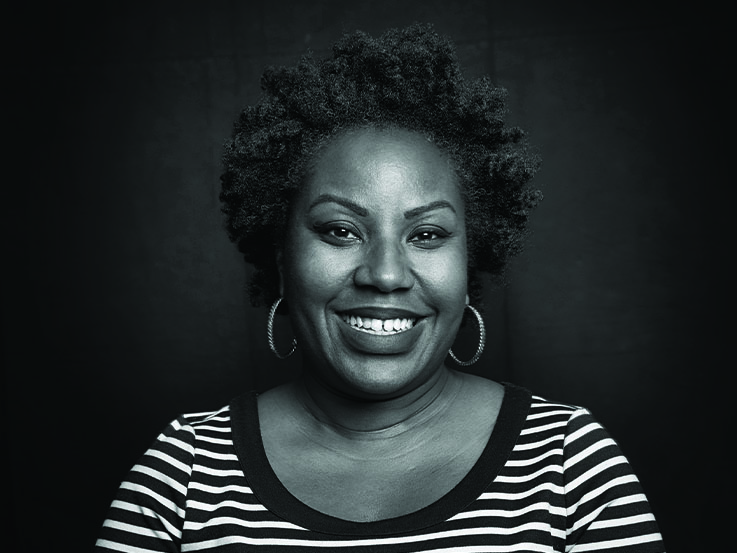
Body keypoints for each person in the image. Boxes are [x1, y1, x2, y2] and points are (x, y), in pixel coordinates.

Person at [95, 24, 665, 552]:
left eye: (427, 234)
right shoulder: (185, 472)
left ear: (471, 258)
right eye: (341, 231)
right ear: (280, 252)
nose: (386, 274)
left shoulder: (568, 463)